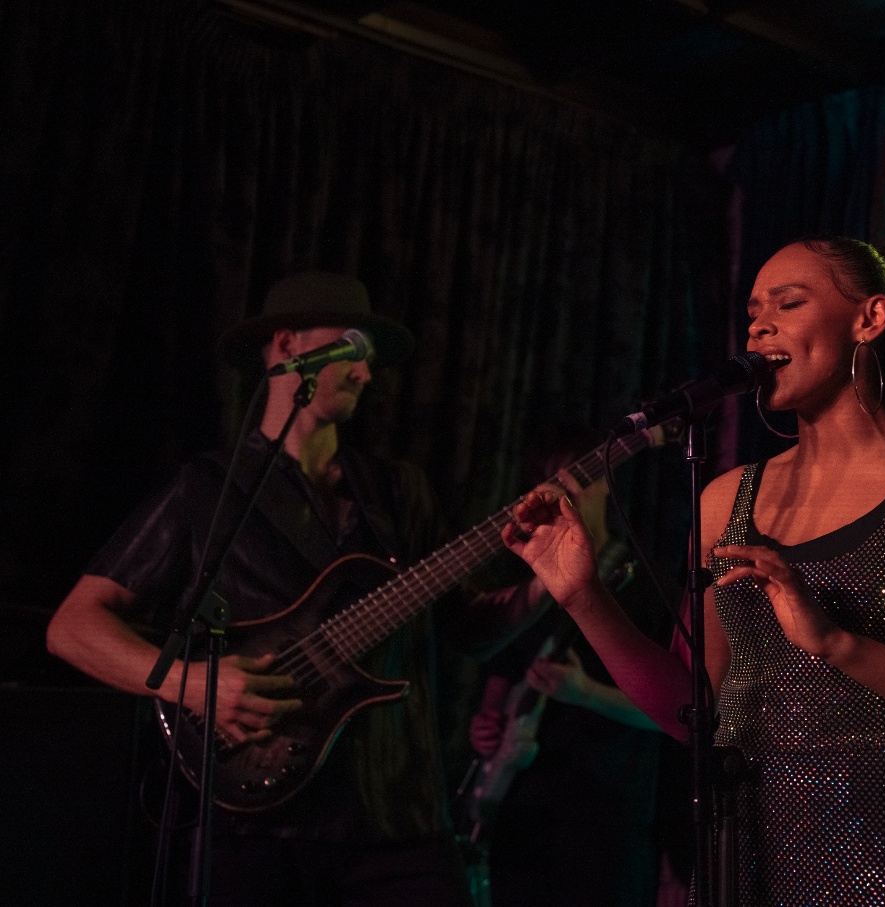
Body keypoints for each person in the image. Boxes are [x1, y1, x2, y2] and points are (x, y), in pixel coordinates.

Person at [500, 237, 885, 907]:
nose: (759, 325)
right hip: (748, 855)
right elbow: (694, 713)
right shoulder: (726, 499)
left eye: (789, 302)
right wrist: (582, 594)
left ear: (870, 318)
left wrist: (836, 642)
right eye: (753, 312)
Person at [46, 272, 539, 907]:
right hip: (253, 825)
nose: (367, 373)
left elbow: (470, 631)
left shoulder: (398, 491)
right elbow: (72, 626)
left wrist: (551, 587)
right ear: (287, 346)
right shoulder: (205, 488)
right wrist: (190, 681)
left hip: (396, 814)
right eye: (352, 349)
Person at [462, 426, 682, 907]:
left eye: (580, 479)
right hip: (520, 814)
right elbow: (501, 668)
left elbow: (680, 713)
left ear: (608, 483)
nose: (565, 494)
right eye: (551, 482)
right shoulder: (527, 582)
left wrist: (584, 692)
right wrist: (486, 725)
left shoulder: (651, 587)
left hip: (605, 816)